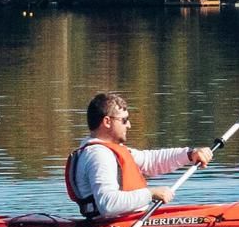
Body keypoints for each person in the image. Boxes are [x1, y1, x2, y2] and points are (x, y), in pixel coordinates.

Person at [67, 91, 211, 219]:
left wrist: (190, 154)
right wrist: (150, 194)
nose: (128, 125)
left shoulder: (110, 151)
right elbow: (108, 204)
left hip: (130, 220)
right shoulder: (99, 156)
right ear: (107, 122)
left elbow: (151, 161)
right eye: (124, 120)